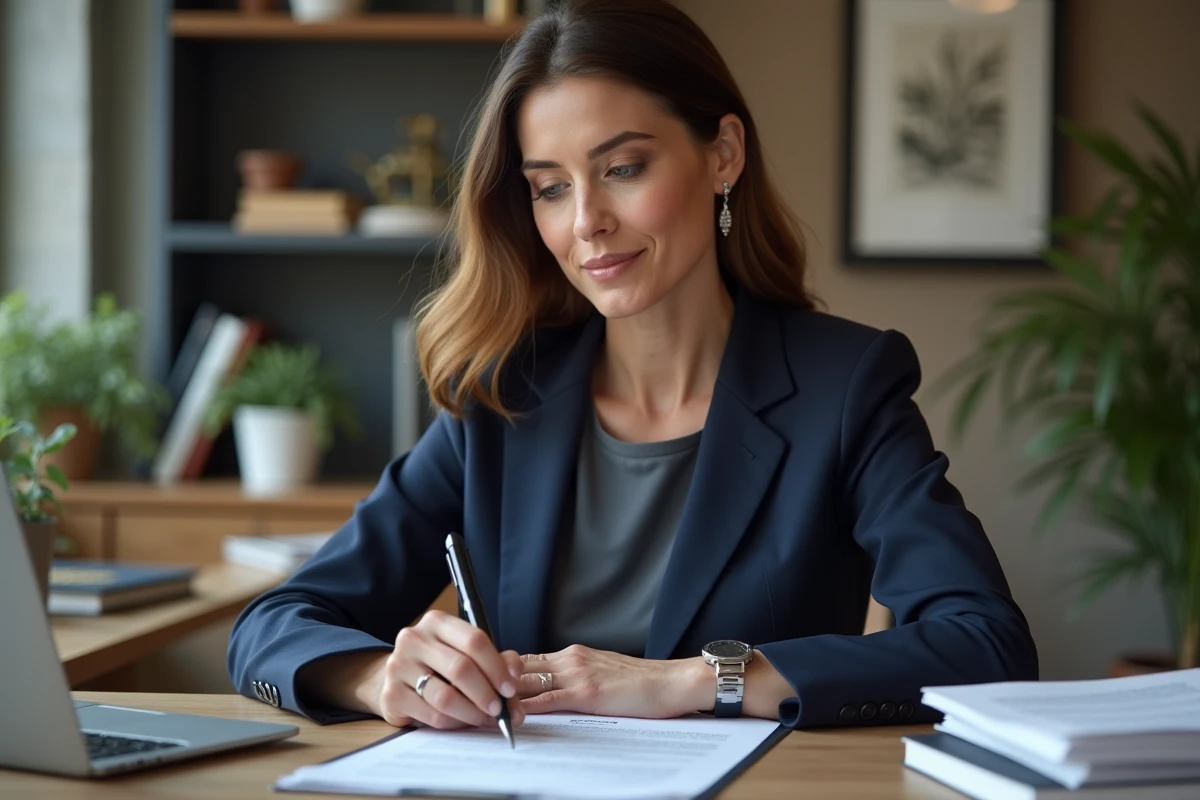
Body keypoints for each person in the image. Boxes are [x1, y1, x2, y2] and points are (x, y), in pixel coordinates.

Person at [227, 0, 1038, 732]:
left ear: (723, 155)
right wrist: (381, 679)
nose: (587, 222)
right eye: (550, 188)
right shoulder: (501, 399)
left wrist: (689, 682)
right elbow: (271, 627)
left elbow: (986, 644)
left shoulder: (846, 385)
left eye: (622, 169)